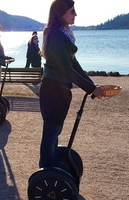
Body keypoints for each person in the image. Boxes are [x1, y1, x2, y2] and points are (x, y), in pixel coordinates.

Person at [38, 0, 105, 168]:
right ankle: (46, 175)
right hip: (53, 90)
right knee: (51, 134)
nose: (75, 14)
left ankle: (51, 169)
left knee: (54, 132)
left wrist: (92, 85)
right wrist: (91, 89)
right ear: (61, 13)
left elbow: (74, 64)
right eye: (72, 11)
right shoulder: (56, 35)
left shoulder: (63, 33)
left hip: (60, 90)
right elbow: (66, 69)